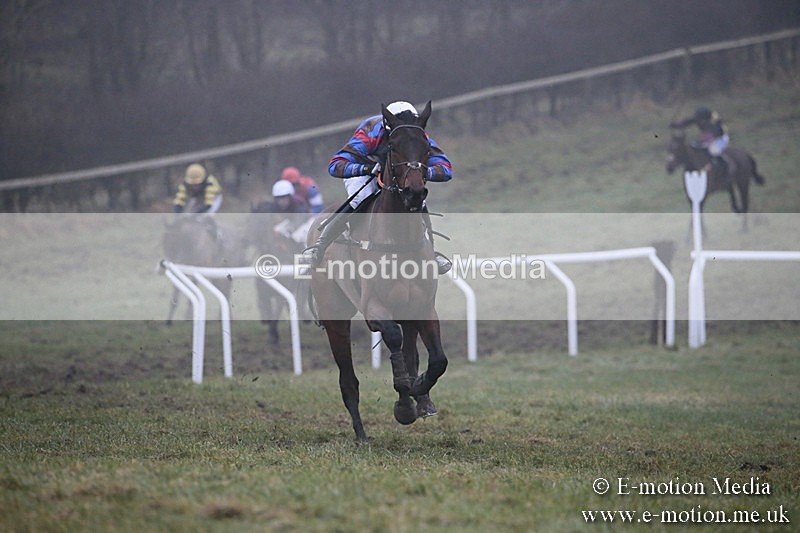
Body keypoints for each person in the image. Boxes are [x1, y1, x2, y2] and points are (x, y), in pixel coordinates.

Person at [302, 101, 453, 273]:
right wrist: (366, 168)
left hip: (397, 173)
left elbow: (446, 169)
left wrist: (422, 174)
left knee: (418, 198)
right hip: (365, 171)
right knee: (362, 195)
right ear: (388, 126)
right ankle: (320, 247)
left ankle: (431, 253)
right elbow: (336, 165)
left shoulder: (415, 134)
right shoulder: (371, 131)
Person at [670, 106, 730, 178]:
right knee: (696, 148)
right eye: (698, 120)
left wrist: (702, 140)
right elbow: (688, 121)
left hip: (720, 139)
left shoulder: (715, 123)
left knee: (713, 150)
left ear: (706, 119)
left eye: (701, 120)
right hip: (708, 139)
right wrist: (677, 124)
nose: (699, 122)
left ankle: (721, 165)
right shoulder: (700, 118)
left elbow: (712, 134)